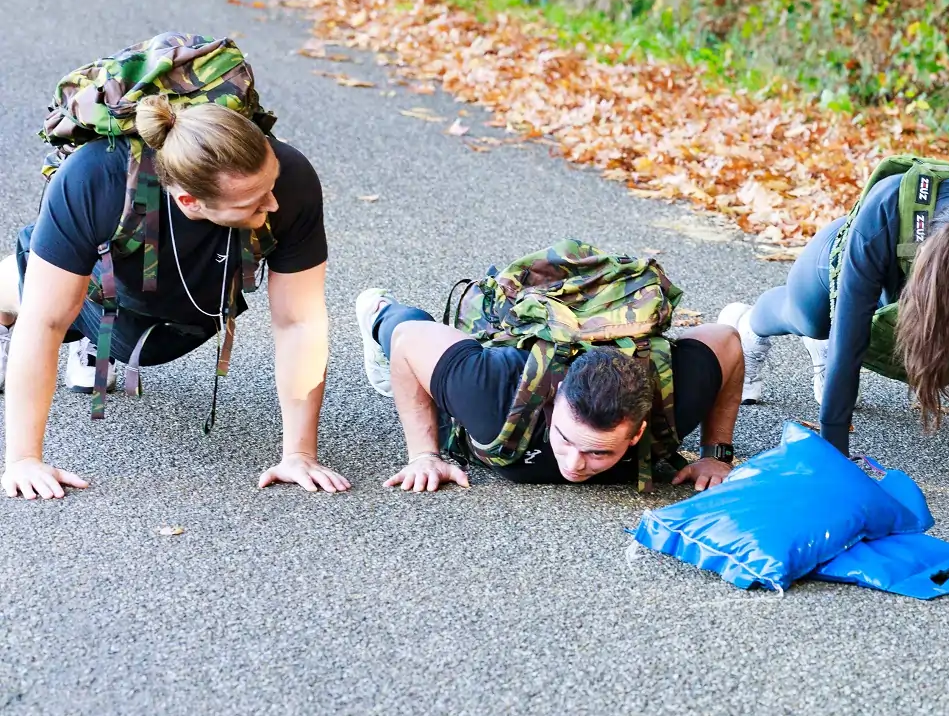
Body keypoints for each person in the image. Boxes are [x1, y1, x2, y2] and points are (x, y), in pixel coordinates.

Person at [1, 95, 347, 499]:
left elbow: (300, 321)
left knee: (148, 348)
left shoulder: (290, 179)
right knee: (55, 301)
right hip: (102, 275)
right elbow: (45, 320)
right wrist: (24, 460)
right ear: (190, 202)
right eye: (253, 202)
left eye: (270, 186)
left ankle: (101, 336)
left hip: (188, 294)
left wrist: (300, 454)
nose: (272, 203)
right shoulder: (96, 178)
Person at [719, 156, 949, 505]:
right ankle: (749, 325)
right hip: (842, 255)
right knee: (812, 320)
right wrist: (833, 456)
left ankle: (818, 343)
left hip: (909, 275)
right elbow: (849, 338)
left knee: (854, 332)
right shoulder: (881, 219)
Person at [354, 284, 743, 492]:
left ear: (637, 432)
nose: (574, 464)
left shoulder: (676, 400)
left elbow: (727, 340)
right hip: (494, 354)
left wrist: (716, 454)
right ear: (554, 405)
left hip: (618, 353)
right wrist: (424, 455)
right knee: (401, 325)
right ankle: (379, 309)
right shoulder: (491, 395)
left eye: (597, 452)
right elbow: (408, 340)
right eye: (566, 438)